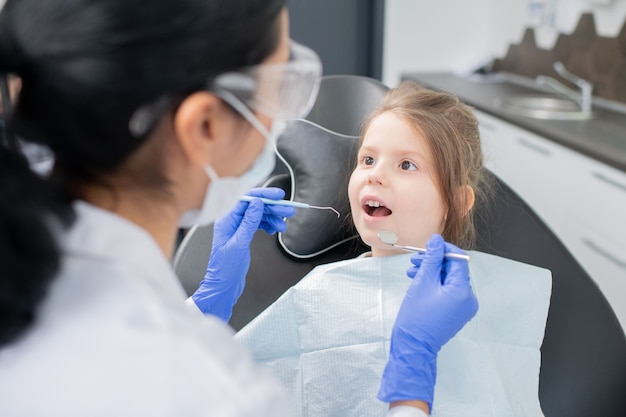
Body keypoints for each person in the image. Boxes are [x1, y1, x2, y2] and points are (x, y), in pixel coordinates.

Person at [0, 1, 477, 416]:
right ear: (205, 125)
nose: (281, 117)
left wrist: (202, 310)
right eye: (276, 89)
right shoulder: (220, 396)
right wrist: (411, 394)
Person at [193, 82, 552, 417]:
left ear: (456, 203)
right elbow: (209, 394)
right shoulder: (318, 297)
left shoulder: (497, 294)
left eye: (406, 164)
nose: (374, 175)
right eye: (367, 160)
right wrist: (209, 305)